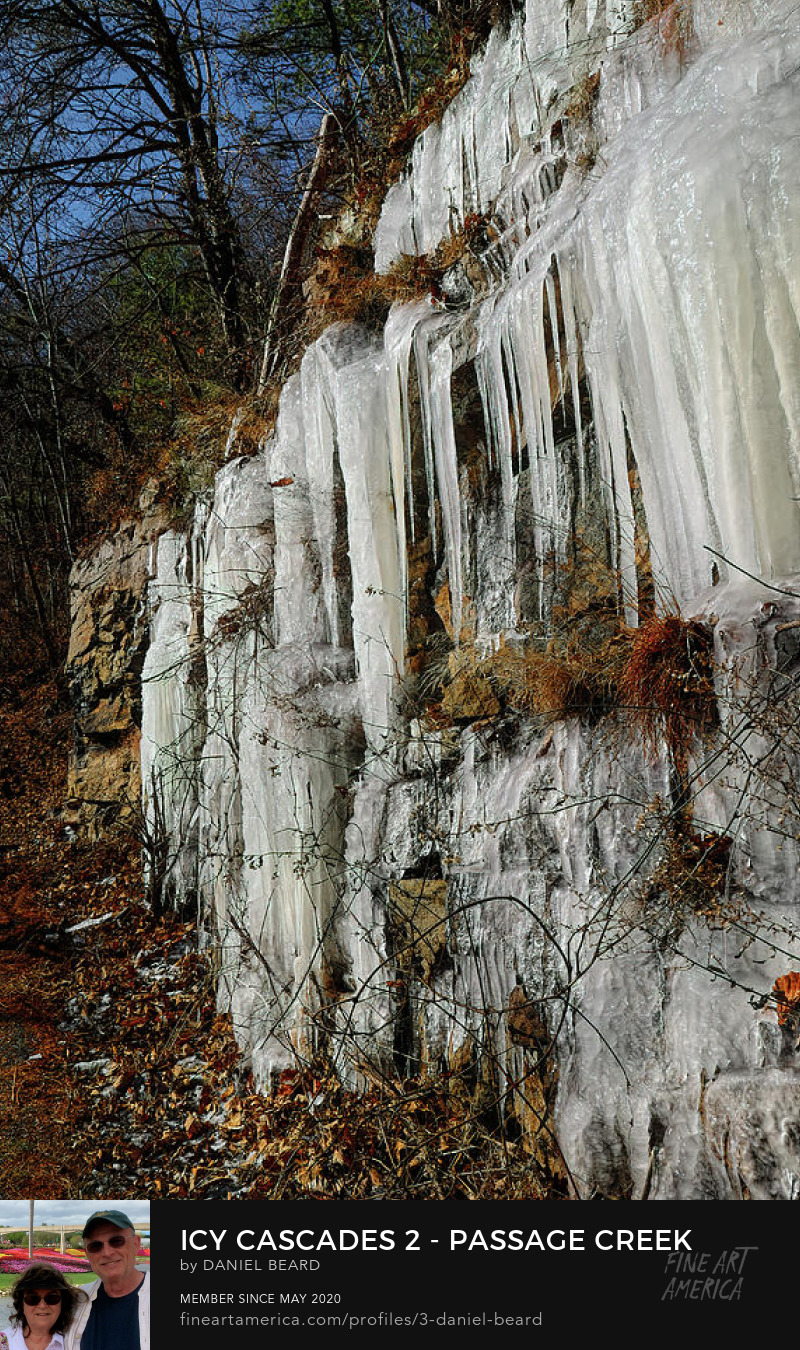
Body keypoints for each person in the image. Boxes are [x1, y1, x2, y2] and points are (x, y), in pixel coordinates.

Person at [64, 1212, 149, 1350]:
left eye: (116, 1241)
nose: (107, 1252)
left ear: (136, 1244)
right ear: (87, 1254)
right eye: (95, 1246)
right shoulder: (76, 1301)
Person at [0, 1263, 86, 1350]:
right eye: (32, 1298)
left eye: (52, 1298)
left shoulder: (73, 1343)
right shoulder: (3, 1342)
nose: (42, 1305)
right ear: (21, 1304)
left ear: (62, 1303)